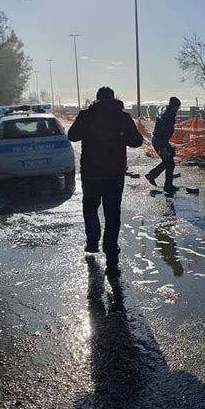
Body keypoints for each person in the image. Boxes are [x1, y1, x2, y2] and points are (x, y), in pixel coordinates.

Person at [68, 86, 143, 275]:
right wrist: (121, 134)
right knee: (112, 213)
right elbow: (137, 141)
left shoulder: (87, 115)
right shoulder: (122, 117)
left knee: (90, 208)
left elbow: (72, 135)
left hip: (91, 173)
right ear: (114, 98)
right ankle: (111, 252)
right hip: (114, 173)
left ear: (97, 99)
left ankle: (92, 243)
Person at [145, 96, 181, 194]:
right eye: (178, 107)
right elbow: (163, 131)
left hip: (160, 140)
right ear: (175, 106)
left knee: (169, 162)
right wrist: (164, 147)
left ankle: (166, 184)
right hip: (160, 141)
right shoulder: (168, 116)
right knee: (169, 162)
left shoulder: (166, 112)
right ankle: (154, 177)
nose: (178, 109)